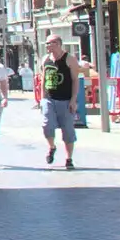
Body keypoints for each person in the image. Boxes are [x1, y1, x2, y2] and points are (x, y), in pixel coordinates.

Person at [40, 35, 79, 169]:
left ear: (57, 44)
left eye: (50, 43)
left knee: (67, 129)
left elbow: (75, 80)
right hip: (49, 99)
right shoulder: (45, 59)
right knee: (47, 125)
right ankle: (52, 147)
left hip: (65, 99)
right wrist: (42, 99)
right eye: (46, 43)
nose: (47, 46)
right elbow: (43, 79)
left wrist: (73, 100)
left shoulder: (69, 59)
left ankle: (69, 158)